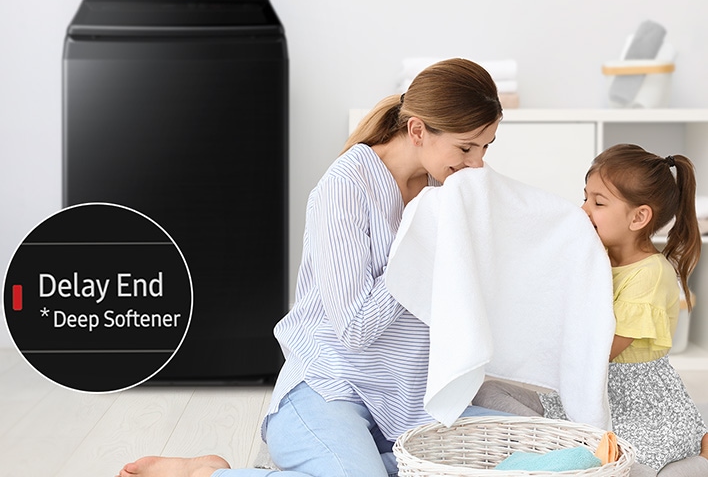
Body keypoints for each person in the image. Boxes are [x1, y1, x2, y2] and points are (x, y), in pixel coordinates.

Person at [116, 58, 506, 477]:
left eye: (486, 147)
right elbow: (355, 327)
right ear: (417, 131)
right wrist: (422, 248)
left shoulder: (443, 189)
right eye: (466, 148)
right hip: (329, 388)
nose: (477, 164)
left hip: (410, 400)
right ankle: (204, 475)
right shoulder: (346, 187)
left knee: (512, 459)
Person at [473, 143, 708, 476]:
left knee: (631, 468)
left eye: (598, 203)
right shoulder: (599, 258)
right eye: (584, 197)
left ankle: (694, 460)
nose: (583, 210)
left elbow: (603, 350)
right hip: (588, 389)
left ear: (639, 217)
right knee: (484, 389)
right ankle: (559, 440)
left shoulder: (651, 273)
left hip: (637, 404)